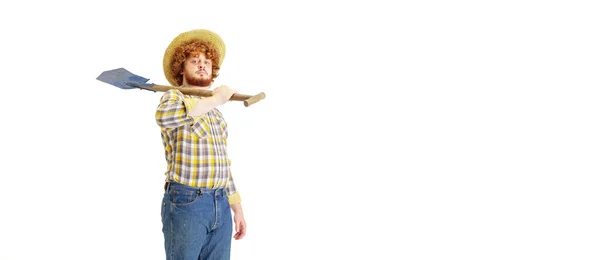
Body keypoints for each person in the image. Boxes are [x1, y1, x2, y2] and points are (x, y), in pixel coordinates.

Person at [155, 29, 246, 260]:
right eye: (195, 61)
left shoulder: (215, 113)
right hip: (187, 203)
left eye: (206, 61)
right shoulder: (174, 98)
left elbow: (222, 163)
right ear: (181, 68)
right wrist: (215, 98)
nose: (202, 65)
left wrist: (236, 206)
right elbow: (164, 118)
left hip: (221, 204)